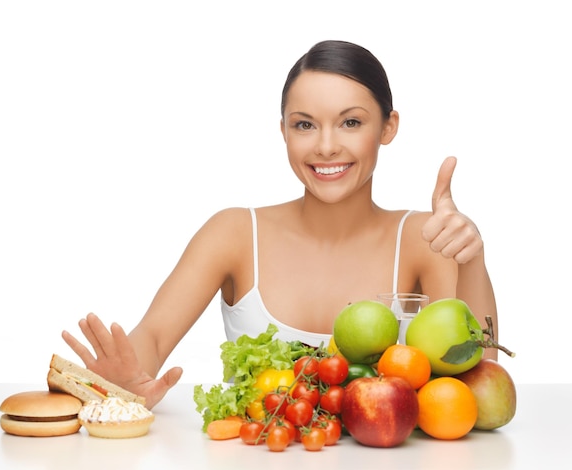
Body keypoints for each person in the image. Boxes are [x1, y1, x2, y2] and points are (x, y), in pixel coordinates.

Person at [62, 40, 498, 409]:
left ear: (388, 127)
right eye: (304, 125)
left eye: (351, 122)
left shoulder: (425, 239)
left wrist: (472, 259)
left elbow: (480, 382)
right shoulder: (233, 233)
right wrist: (118, 382)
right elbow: (152, 341)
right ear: (284, 132)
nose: (326, 146)